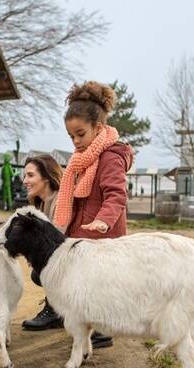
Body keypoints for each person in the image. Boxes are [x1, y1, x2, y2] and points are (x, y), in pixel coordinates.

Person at [54, 81, 134, 349]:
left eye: (80, 134)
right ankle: (86, 325)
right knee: (83, 284)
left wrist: (104, 220)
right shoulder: (81, 159)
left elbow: (116, 195)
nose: (76, 142)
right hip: (82, 232)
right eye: (71, 137)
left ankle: (103, 330)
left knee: (101, 285)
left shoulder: (111, 157)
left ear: (98, 129)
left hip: (102, 235)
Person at [20, 154, 64, 331]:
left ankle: (56, 311)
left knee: (40, 273)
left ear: (46, 177)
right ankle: (58, 310)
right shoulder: (40, 202)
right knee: (38, 272)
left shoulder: (61, 201)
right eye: (25, 175)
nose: (25, 181)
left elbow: (57, 242)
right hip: (57, 258)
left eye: (30, 175)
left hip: (71, 260)